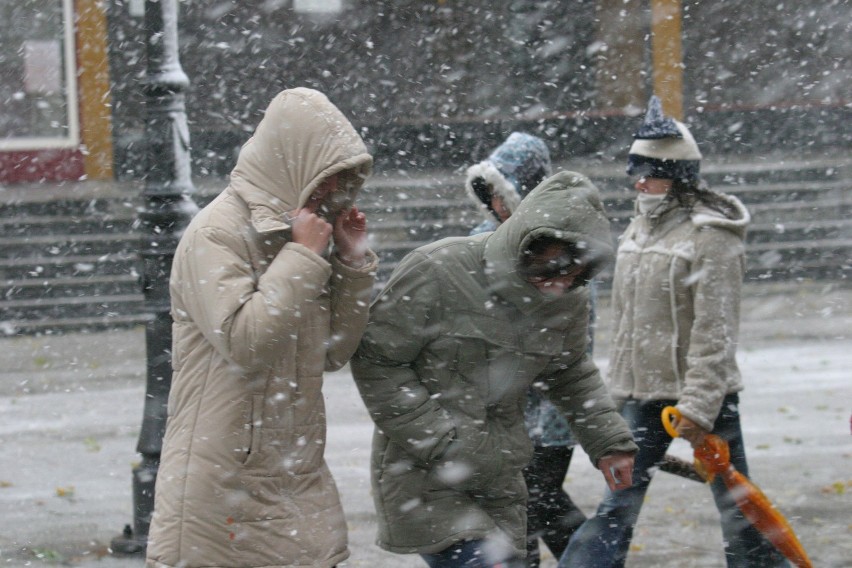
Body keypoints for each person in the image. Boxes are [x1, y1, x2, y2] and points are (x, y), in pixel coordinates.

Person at [351, 171, 639, 568]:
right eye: (554, 268)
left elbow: (569, 371)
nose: (561, 284)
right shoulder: (439, 269)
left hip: (502, 476)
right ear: (528, 242)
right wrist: (442, 441)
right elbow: (377, 359)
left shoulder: (568, 299)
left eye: (576, 274)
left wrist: (608, 441)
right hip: (426, 476)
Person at [145, 88, 378, 568]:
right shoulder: (217, 233)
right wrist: (302, 257)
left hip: (293, 469)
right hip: (225, 479)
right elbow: (246, 342)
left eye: (339, 183)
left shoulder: (300, 237)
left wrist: (353, 264)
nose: (329, 195)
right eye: (325, 180)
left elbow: (332, 351)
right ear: (289, 161)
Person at [558, 96, 790, 568]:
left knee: (740, 512)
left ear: (678, 176)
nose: (638, 184)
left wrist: (698, 406)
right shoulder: (637, 232)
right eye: (635, 174)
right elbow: (626, 326)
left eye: (649, 173)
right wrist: (614, 395)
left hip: (706, 398)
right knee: (616, 506)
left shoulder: (712, 237)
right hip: (643, 400)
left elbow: (716, 330)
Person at [465, 132, 589, 566]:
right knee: (521, 510)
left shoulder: (556, 245)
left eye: (505, 193)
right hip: (500, 410)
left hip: (549, 410)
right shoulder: (478, 243)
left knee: (539, 502)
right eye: (491, 194)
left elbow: (573, 332)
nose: (498, 204)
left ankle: (595, 558)